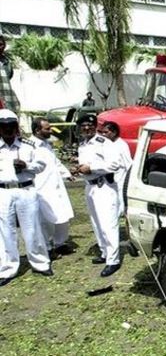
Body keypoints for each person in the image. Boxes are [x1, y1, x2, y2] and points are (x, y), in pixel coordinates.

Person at [0, 109, 51, 287]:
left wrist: (26, 165)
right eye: (4, 127)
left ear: (16, 127)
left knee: (32, 228)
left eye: (11, 126)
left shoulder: (28, 145)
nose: (8, 130)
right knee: (5, 231)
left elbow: (41, 166)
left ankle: (40, 263)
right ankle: (7, 268)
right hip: (3, 191)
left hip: (25, 190)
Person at [73, 114, 122, 277]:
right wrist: (80, 168)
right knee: (97, 223)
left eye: (89, 125)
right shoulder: (83, 144)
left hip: (104, 186)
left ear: (95, 126)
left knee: (108, 224)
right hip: (90, 187)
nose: (86, 128)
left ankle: (113, 260)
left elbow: (115, 164)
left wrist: (92, 168)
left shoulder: (104, 143)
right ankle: (104, 253)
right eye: (83, 126)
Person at [31, 117, 75, 258]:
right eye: (47, 128)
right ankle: (48, 247)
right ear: (37, 130)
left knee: (62, 216)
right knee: (46, 219)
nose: (51, 131)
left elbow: (55, 162)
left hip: (56, 185)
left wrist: (67, 174)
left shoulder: (47, 144)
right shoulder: (30, 146)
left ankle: (60, 243)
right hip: (42, 188)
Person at [100, 121, 132, 217]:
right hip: (109, 179)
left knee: (120, 204)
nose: (103, 135)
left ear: (114, 132)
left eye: (106, 132)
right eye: (102, 132)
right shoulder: (107, 144)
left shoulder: (121, 145)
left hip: (120, 178)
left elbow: (129, 164)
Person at [0, 35, 20, 112]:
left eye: (1, 44)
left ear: (4, 46)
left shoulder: (7, 63)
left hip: (7, 101)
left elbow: (9, 79)